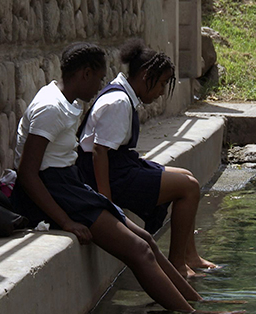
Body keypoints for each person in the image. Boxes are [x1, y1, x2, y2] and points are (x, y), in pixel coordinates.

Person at [11, 42, 237, 314]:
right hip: (57, 192)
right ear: (85, 73)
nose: (100, 84)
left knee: (146, 239)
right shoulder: (50, 108)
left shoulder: (64, 101)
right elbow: (27, 173)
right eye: (98, 77)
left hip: (69, 185)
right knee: (139, 251)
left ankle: (196, 301)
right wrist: (66, 221)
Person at [77, 39, 216, 278]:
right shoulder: (118, 101)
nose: (162, 91)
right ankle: (178, 265)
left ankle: (189, 255)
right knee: (189, 188)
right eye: (161, 84)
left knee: (186, 176)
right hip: (109, 174)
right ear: (144, 76)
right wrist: (106, 202)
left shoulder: (123, 95)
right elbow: (99, 153)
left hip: (119, 166)